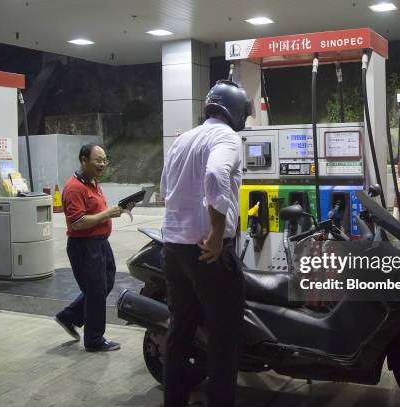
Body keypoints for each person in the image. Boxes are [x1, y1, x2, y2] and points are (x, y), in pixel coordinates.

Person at [160, 80, 252, 407]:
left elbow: (164, 188)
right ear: (237, 111)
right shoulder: (226, 137)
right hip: (207, 253)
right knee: (223, 340)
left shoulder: (183, 139)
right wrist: (215, 233)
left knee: (180, 333)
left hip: (173, 248)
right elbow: (215, 176)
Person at [55, 143, 131, 352]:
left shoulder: (93, 183)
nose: (102, 164)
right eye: (97, 160)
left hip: (100, 243)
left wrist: (119, 210)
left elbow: (96, 213)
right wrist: (107, 214)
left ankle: (69, 316)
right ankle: (94, 340)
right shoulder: (74, 188)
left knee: (103, 285)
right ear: (83, 160)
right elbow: (78, 222)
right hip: (84, 246)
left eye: (104, 160)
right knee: (96, 291)